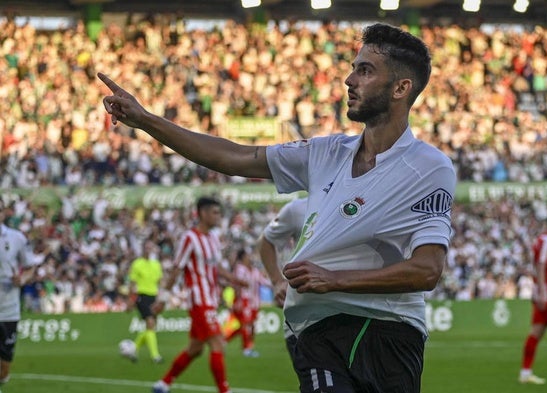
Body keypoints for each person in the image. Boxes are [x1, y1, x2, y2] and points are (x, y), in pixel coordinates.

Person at [100, 22, 456, 393]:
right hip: (316, 331)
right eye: (353, 68)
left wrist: (335, 280)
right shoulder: (326, 152)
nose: (349, 79)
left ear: (401, 88)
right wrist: (145, 120)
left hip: (387, 331)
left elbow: (427, 269)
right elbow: (237, 156)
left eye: (365, 70)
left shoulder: (428, 167)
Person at [150, 197, 245, 393]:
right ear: (202, 213)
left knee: (195, 349)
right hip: (198, 300)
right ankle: (225, 390)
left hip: (210, 299)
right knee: (218, 342)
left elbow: (217, 268)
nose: (218, 217)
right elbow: (177, 269)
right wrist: (163, 299)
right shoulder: (189, 238)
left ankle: (163, 384)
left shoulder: (212, 238)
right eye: (215, 212)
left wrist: (236, 280)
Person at [256, 196, 308, 363]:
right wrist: (278, 281)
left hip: (362, 318)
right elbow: (265, 240)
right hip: (305, 323)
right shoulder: (297, 209)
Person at [518, 211, 547, 385]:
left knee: (535, 333)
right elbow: (541, 265)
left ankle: (525, 373)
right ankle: (525, 373)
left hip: (542, 293)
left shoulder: (540, 241)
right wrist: (543, 292)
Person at [0, 201, 36, 392]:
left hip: (8, 310)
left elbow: (30, 267)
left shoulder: (16, 238)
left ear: (4, 213)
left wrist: (21, 280)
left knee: (4, 368)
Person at [224, 247, 270, 358]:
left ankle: (224, 341)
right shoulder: (240, 268)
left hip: (254, 302)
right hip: (244, 300)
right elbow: (237, 283)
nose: (250, 257)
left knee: (250, 326)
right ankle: (247, 349)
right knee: (246, 324)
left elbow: (263, 282)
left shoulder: (254, 270)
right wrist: (237, 300)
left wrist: (278, 285)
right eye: (248, 255)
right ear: (243, 257)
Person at [125, 239, 164, 363]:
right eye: (146, 248)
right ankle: (155, 356)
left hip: (154, 296)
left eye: (150, 248)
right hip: (141, 296)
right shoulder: (137, 264)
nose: (148, 250)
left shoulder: (156, 265)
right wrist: (130, 300)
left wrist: (162, 298)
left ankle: (133, 349)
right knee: (151, 323)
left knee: (150, 327)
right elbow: (132, 283)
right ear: (143, 249)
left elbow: (160, 282)